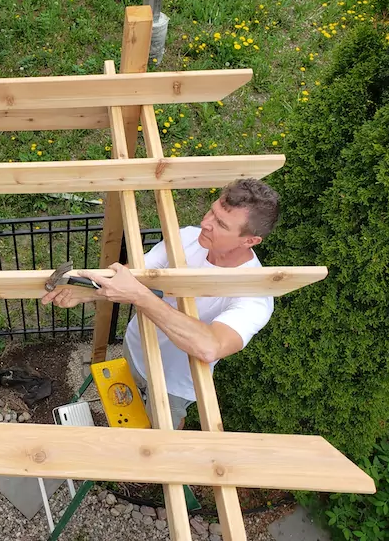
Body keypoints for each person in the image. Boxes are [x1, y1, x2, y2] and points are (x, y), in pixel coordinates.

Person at [41, 178, 279, 429]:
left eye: (220, 224)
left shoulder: (255, 295)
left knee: (161, 428)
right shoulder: (188, 238)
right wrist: (87, 291)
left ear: (249, 240)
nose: (205, 223)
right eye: (211, 210)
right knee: (128, 396)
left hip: (173, 384)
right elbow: (134, 276)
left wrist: (139, 296)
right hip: (136, 346)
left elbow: (210, 347)